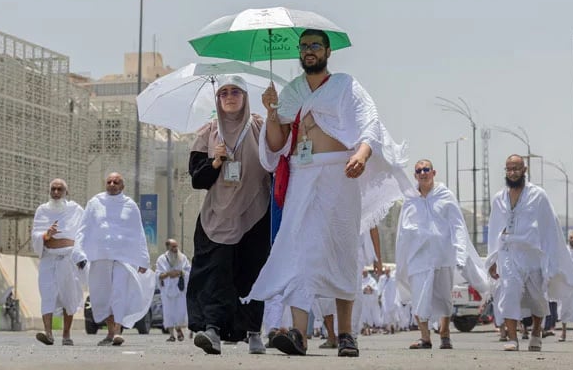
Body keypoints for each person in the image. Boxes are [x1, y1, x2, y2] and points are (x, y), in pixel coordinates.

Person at [244, 28, 412, 358]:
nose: (309, 51)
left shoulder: (347, 87)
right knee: (298, 252)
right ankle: (298, 334)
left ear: (327, 51)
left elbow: (369, 123)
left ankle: (347, 334)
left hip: (340, 173)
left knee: (342, 251)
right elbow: (277, 145)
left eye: (315, 46)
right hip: (302, 177)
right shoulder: (291, 92)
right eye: (304, 46)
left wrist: (362, 155)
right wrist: (271, 112)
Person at [186, 75, 272, 355]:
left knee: (252, 274)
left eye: (236, 91)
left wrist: (273, 112)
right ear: (218, 99)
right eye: (223, 93)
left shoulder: (260, 127)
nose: (230, 97)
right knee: (215, 275)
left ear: (245, 97)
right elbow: (197, 180)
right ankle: (211, 330)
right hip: (217, 218)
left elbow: (275, 161)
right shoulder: (207, 133)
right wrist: (216, 161)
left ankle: (253, 332)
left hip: (254, 215)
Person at [486, 154, 573, 352]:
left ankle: (537, 331)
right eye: (509, 169)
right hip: (508, 253)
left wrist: (550, 259)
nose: (512, 173)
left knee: (538, 297)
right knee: (509, 290)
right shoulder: (499, 198)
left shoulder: (538, 195)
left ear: (525, 170)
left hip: (532, 254)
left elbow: (550, 228)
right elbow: (494, 228)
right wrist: (493, 259)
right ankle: (513, 338)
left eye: (516, 169)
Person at [396, 159, 488, 350]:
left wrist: (460, 251)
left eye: (426, 169)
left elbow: (457, 225)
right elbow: (402, 231)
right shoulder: (410, 199)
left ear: (433, 172)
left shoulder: (445, 195)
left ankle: (445, 334)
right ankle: (425, 337)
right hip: (418, 257)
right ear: (415, 175)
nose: (423, 173)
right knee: (419, 297)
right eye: (419, 170)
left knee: (444, 298)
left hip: (442, 255)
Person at [76, 172, 155, 347]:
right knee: (102, 297)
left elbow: (138, 233)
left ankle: (117, 331)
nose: (112, 184)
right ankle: (110, 332)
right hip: (100, 257)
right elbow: (83, 229)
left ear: (122, 186)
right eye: (109, 181)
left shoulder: (130, 206)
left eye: (116, 182)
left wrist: (143, 259)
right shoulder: (95, 203)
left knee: (119, 293)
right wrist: (79, 253)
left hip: (123, 258)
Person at [31, 179, 86, 346]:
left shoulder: (76, 210)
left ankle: (66, 334)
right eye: (53, 189)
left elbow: (83, 234)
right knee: (47, 294)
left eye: (59, 189)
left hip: (68, 259)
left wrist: (81, 256)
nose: (56, 193)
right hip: (48, 258)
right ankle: (47, 333)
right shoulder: (42, 210)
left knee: (68, 296)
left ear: (66, 192)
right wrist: (46, 235)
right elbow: (35, 234)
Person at [156, 239, 191, 342]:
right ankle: (172, 335)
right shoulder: (161, 259)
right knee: (169, 313)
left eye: (176, 246)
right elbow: (158, 275)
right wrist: (168, 274)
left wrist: (181, 273)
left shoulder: (182, 258)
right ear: (168, 247)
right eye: (173, 247)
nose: (175, 249)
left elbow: (188, 271)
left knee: (180, 312)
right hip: (167, 291)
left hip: (180, 290)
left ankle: (179, 329)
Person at [378, 266, 399, 335]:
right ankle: (388, 327)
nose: (387, 272)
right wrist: (379, 295)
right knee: (385, 312)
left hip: (392, 297)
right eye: (385, 271)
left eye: (388, 271)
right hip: (385, 298)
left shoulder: (393, 278)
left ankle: (394, 326)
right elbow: (379, 287)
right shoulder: (382, 278)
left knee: (393, 312)